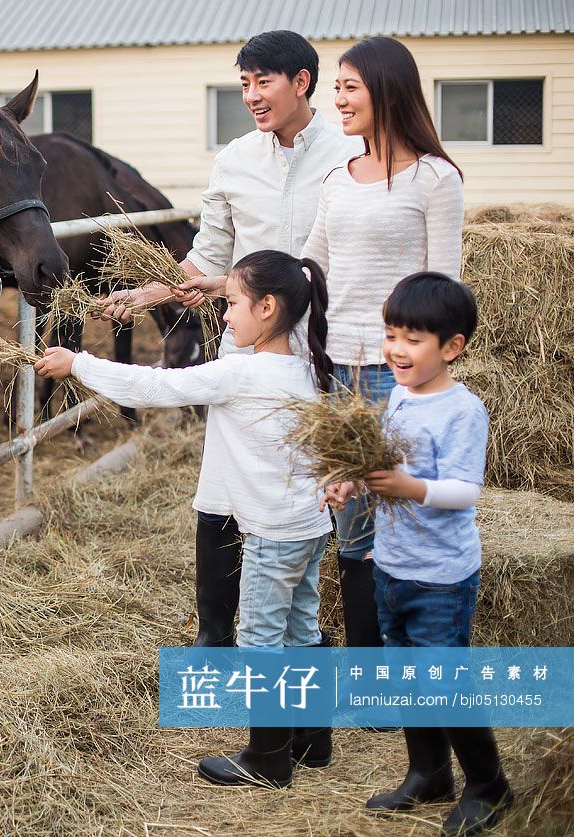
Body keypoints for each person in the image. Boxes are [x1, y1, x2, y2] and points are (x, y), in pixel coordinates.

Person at [99, 30, 361, 651]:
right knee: (222, 489)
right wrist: (151, 293)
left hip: (326, 351)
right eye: (244, 83)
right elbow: (207, 258)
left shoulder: (349, 155)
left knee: (323, 495)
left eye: (262, 81)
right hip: (250, 351)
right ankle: (219, 643)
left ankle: (333, 657)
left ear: (302, 82)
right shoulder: (235, 160)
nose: (250, 96)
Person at [37, 249, 336, 786]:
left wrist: (77, 363)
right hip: (309, 528)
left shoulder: (241, 372)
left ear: (267, 308)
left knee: (262, 638)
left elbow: (155, 388)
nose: (225, 316)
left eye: (234, 304)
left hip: (269, 533)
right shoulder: (309, 367)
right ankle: (313, 739)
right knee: (302, 626)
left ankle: (268, 758)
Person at [323, 273, 511, 836]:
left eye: (413, 339)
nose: (397, 350)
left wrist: (410, 489)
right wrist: (353, 482)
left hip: (440, 577)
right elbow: (382, 461)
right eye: (391, 334)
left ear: (452, 347)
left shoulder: (462, 411)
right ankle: (428, 772)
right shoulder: (399, 396)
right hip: (394, 565)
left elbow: (465, 491)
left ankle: (487, 784)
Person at [300, 36, 466, 651]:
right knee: (351, 523)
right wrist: (233, 284)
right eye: (336, 87)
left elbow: (443, 286)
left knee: (403, 516)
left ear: (387, 90)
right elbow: (308, 263)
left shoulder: (434, 178)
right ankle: (368, 672)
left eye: (349, 87)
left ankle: (410, 659)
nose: (337, 99)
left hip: (400, 373)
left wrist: (419, 375)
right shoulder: (337, 179)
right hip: (341, 368)